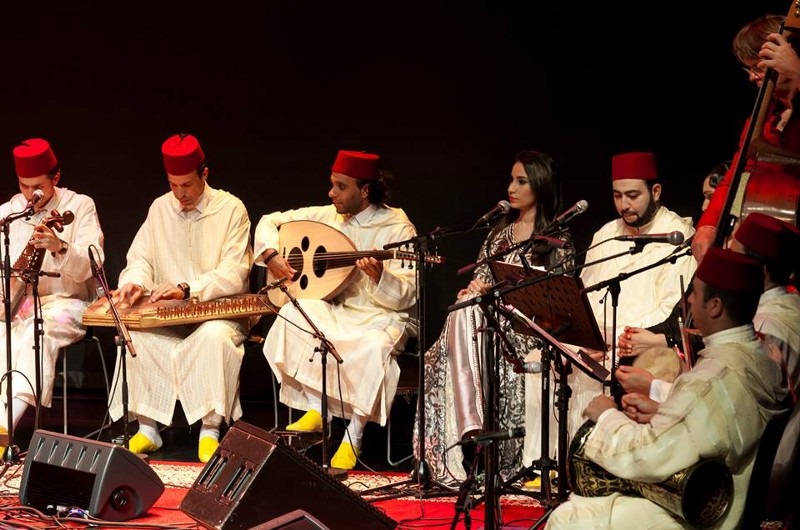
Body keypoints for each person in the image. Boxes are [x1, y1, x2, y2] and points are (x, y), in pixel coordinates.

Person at [547, 247, 789, 529]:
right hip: (728, 495)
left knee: (569, 517)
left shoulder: (713, 377)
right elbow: (721, 425)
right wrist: (663, 412)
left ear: (715, 306)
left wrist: (606, 416)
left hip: (706, 512)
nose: (688, 299)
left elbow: (646, 457)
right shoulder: (763, 354)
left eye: (695, 293)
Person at [412, 150, 577, 485]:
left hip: (526, 329)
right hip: (487, 323)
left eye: (521, 181)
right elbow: (483, 276)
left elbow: (558, 302)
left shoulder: (556, 239)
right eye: (510, 180)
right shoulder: (498, 235)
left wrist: (493, 293)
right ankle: (465, 434)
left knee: (468, 312)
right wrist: (475, 287)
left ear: (541, 187)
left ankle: (477, 424)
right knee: (463, 310)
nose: (511, 188)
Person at [255, 150, 417, 471]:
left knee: (372, 346)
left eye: (341, 187)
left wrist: (380, 276)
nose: (331, 194)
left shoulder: (398, 228)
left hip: (381, 315)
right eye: (332, 185)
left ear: (365, 190)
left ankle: (353, 436)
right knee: (294, 313)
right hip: (337, 311)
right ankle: (318, 409)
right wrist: (272, 254)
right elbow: (268, 221)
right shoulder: (326, 216)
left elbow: (408, 294)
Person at [109, 133, 253, 463]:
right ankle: (147, 429)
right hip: (171, 317)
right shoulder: (161, 207)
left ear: (205, 174)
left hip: (216, 314)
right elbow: (141, 258)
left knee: (214, 337)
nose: (180, 194)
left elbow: (235, 272)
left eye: (186, 185)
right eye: (173, 185)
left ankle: (210, 430)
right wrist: (134, 282)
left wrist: (188, 288)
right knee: (137, 337)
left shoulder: (230, 209)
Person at [0, 138, 104, 452]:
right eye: (23, 185)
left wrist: (60, 247)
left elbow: (94, 261)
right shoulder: (8, 213)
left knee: (37, 330)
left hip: (67, 303)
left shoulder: (79, 205)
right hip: (18, 304)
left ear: (55, 178)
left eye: (38, 187)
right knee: (6, 333)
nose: (31, 195)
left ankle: (5, 426)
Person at [692, 14, 800, 263]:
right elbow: (737, 174)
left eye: (758, 67)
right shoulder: (761, 118)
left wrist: (798, 73)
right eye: (748, 70)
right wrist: (709, 226)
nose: (752, 77)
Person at [580, 151, 696, 357]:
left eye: (633, 196)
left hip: (639, 347)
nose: (624, 205)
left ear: (656, 192)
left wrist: (614, 340)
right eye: (617, 196)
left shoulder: (677, 236)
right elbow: (585, 293)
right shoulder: (606, 234)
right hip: (596, 345)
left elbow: (669, 312)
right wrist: (589, 338)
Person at [617, 160, 728, 363]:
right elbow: (680, 313)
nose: (704, 207)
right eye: (617, 195)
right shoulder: (606, 233)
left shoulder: (726, 257)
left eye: (712, 198)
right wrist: (643, 335)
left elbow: (718, 332)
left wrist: (661, 339)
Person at [729, 212, 800, 524]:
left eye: (733, 258)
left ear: (759, 269)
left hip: (766, 473)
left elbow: (736, 413)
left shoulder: (765, 326)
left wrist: (657, 388)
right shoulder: (792, 306)